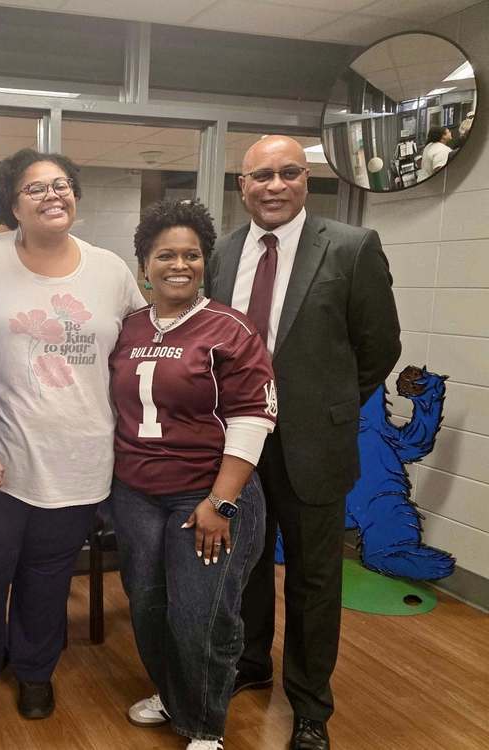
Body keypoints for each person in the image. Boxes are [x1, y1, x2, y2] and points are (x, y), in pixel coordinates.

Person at [205, 135, 401, 750]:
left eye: (288, 173)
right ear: (243, 186)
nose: (274, 186)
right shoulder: (224, 252)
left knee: (314, 581)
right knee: (247, 563)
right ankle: (252, 662)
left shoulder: (351, 246)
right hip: (239, 443)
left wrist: (327, 404)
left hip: (315, 444)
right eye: (261, 176)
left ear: (306, 180)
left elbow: (379, 347)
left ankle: (311, 706)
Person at [0, 148, 146, 720]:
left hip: (80, 457)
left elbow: (141, 347)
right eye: (35, 188)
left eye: (62, 185)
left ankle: (35, 670)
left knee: (50, 574)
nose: (53, 195)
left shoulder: (109, 270)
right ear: (12, 205)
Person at [110, 198, 276, 750]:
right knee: (148, 605)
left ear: (205, 262)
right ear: (144, 265)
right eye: (165, 255)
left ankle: (205, 725)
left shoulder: (230, 328)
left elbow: (253, 417)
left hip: (206, 493)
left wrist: (221, 502)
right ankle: (172, 692)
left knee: (201, 614)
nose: (179, 265)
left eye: (191, 255)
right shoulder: (128, 326)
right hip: (136, 493)